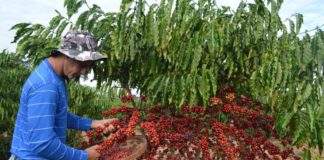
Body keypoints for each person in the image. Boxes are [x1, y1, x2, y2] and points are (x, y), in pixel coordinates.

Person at [10, 31, 114, 160]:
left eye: (87, 67)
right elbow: (43, 145)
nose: (83, 72)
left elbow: (54, 114)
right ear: (67, 55)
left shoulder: (53, 75)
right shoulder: (47, 86)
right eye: (82, 65)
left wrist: (93, 123)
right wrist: (84, 156)